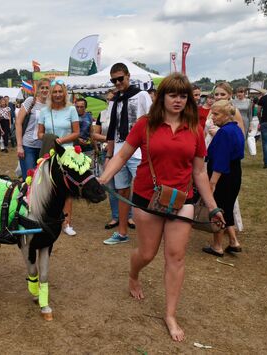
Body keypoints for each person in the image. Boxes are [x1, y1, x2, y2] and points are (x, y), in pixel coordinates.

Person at [97, 73, 225, 342]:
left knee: (176, 256)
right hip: (147, 197)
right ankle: (134, 274)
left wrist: (213, 208)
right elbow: (122, 154)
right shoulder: (145, 124)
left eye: (183, 96)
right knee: (147, 253)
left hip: (182, 201)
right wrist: (104, 179)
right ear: (162, 97)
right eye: (172, 95)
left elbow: (199, 172)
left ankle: (170, 314)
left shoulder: (195, 129)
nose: (178, 100)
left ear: (188, 99)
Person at [103, 63, 152, 245]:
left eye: (120, 79)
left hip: (139, 152)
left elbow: (151, 122)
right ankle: (122, 232)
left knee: (145, 192)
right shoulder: (114, 100)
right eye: (113, 80)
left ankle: (149, 233)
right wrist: (109, 155)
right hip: (119, 151)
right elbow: (111, 131)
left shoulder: (141, 96)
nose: (117, 83)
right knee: (122, 191)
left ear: (128, 76)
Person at [37, 79, 80, 236]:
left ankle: (66, 222)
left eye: (60, 91)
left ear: (64, 93)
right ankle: (49, 218)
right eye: (54, 92)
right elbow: (39, 133)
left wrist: (61, 141)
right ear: (50, 93)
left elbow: (76, 132)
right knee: (48, 187)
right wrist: (49, 139)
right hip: (49, 153)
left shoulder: (71, 110)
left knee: (66, 189)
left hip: (67, 153)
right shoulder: (44, 112)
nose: (57, 94)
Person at [202, 100, 244, 257]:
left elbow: (221, 161)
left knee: (218, 208)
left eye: (216, 114)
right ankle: (233, 241)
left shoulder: (224, 133)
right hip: (235, 174)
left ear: (227, 115)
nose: (212, 117)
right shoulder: (236, 129)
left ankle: (217, 246)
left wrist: (212, 183)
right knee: (228, 207)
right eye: (212, 113)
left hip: (223, 176)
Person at [92, 89, 133, 230]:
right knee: (111, 186)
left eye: (113, 99)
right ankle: (115, 216)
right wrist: (111, 139)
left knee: (125, 186)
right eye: (108, 99)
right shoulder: (102, 115)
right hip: (107, 152)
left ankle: (130, 216)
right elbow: (95, 135)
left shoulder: (125, 113)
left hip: (124, 153)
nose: (110, 101)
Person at [15, 78, 49, 180]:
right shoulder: (31, 101)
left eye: (47, 88)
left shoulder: (51, 105)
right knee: (30, 179)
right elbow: (18, 123)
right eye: (42, 87)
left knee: (40, 180)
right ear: (38, 89)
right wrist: (19, 146)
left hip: (43, 148)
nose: (44, 90)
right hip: (28, 146)